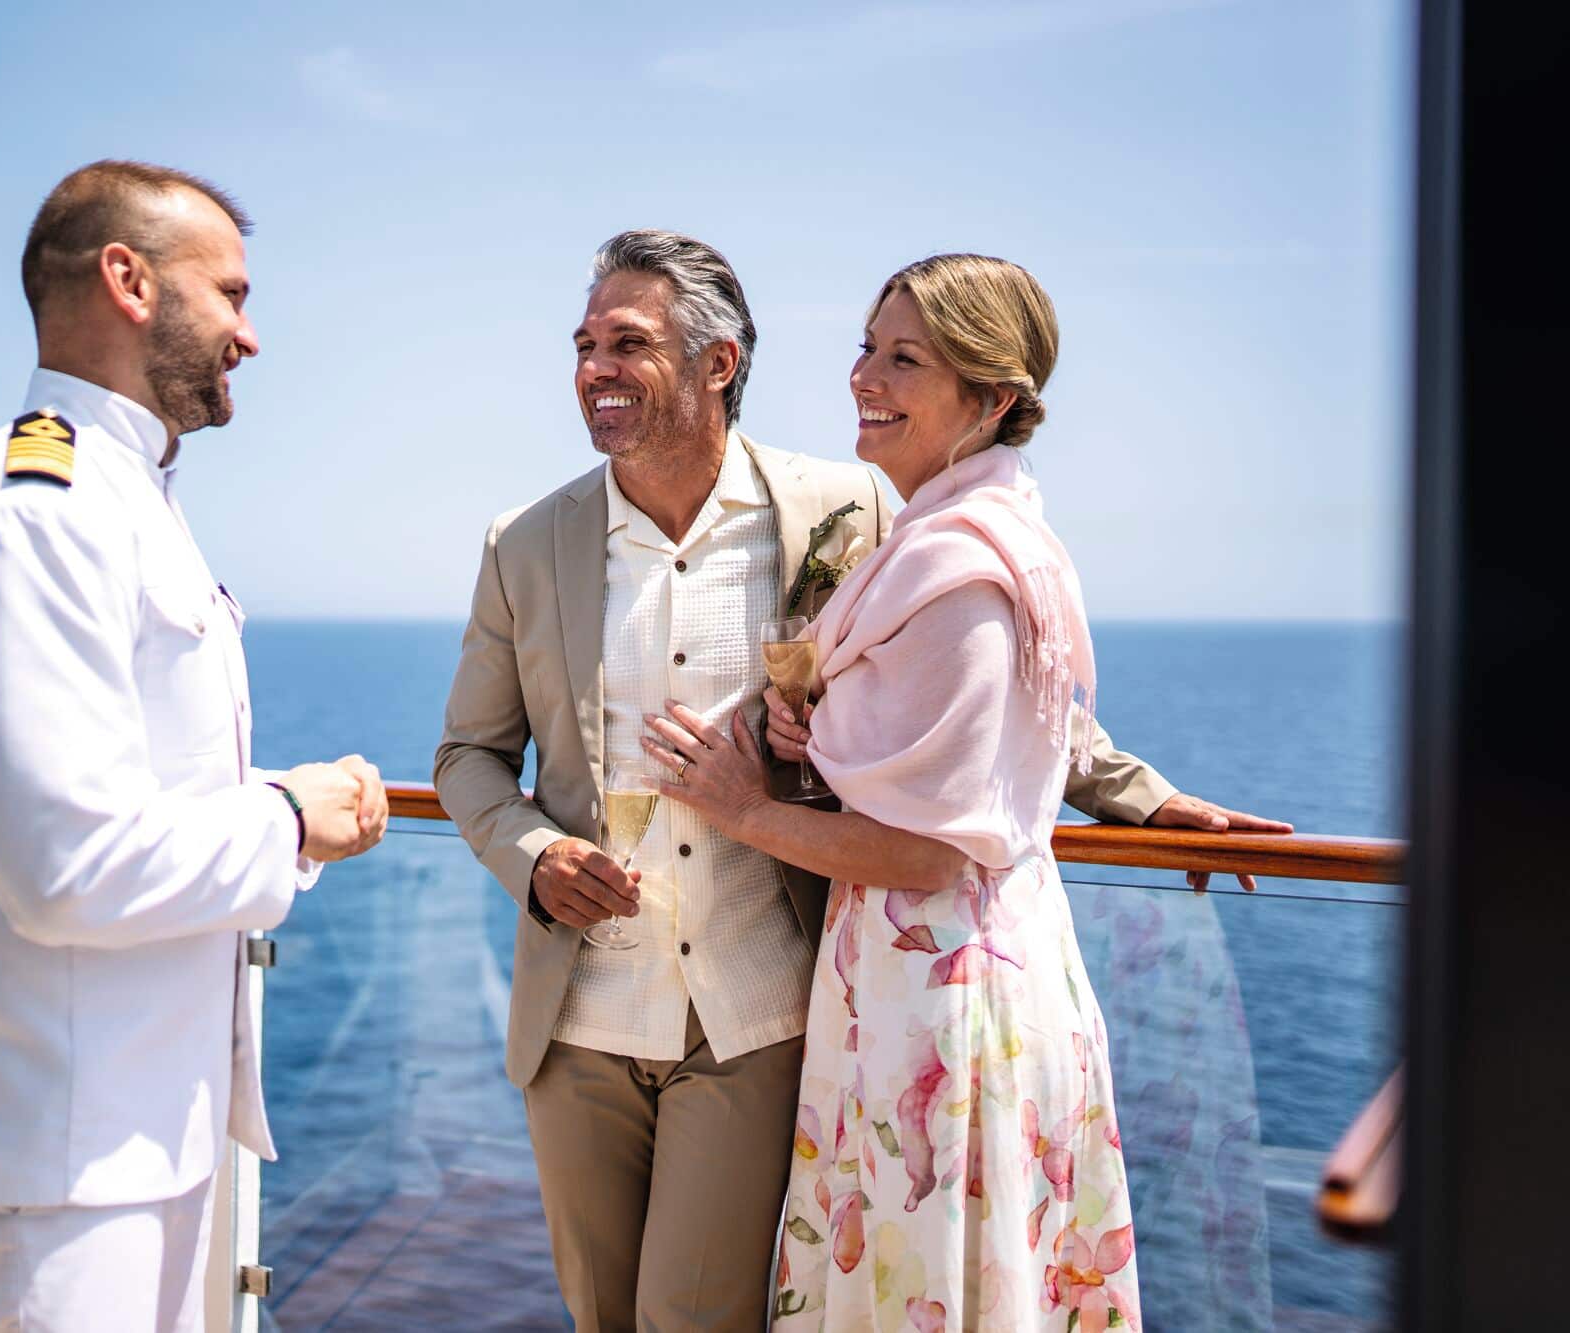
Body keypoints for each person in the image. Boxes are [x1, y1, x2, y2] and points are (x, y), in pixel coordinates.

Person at [434, 232, 1262, 1331]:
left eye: (626, 342)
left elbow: (994, 684)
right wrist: (534, 858)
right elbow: (467, 759)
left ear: (716, 362)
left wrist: (1135, 791)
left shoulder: (846, 511)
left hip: (757, 1012)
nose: (593, 367)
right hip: (578, 1017)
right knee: (600, 1316)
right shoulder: (522, 544)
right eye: (583, 343)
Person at [0, 160, 388, 1332]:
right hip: (45, 1164)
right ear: (129, 281)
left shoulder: (119, 495)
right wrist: (288, 820)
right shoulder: (32, 514)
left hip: (135, 1134)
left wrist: (268, 804)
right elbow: (67, 864)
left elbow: (126, 790)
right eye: (230, 294)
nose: (249, 336)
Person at [645, 253, 1141, 1330]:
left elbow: (934, 848)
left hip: (941, 1000)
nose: (865, 375)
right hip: (926, 979)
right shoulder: (951, 541)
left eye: (905, 358)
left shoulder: (960, 572)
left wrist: (744, 809)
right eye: (867, 346)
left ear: (992, 398)